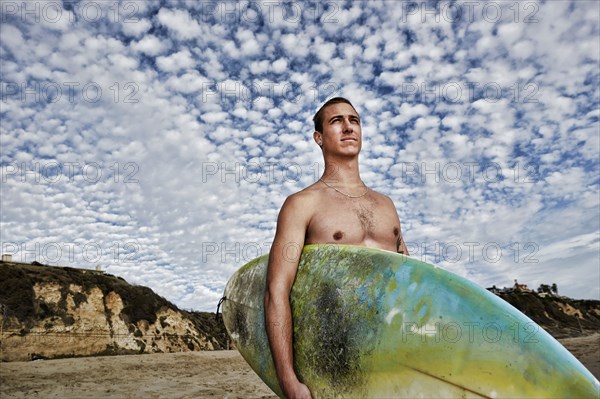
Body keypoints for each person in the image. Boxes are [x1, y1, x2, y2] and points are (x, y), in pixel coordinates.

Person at [264, 97, 409, 399]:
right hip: (332, 360)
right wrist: (289, 380)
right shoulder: (301, 204)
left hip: (391, 357)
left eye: (354, 120)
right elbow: (276, 289)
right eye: (336, 121)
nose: (347, 127)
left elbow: (409, 284)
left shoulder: (387, 206)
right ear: (319, 138)